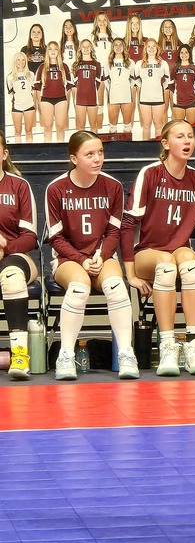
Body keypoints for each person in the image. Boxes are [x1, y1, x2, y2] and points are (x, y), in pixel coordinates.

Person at [121, 119, 195, 377]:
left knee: (189, 263)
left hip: (177, 254)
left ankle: (194, 343)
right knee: (165, 263)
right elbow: (126, 225)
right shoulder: (150, 174)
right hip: (146, 255)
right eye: (180, 137)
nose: (187, 142)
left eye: (190, 137)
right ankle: (167, 345)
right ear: (165, 143)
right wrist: (130, 274)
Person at [45, 131, 140, 381]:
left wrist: (101, 255)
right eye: (89, 154)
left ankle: (126, 353)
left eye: (100, 152)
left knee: (116, 286)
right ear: (74, 158)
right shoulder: (56, 189)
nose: (97, 159)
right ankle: (65, 355)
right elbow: (55, 238)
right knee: (79, 287)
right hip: (68, 259)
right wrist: (81, 259)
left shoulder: (113, 186)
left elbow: (114, 230)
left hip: (102, 255)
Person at [0, 133, 40, 380]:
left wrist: (4, 247)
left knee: (12, 276)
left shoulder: (18, 186)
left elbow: (30, 237)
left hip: (15, 257)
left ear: (4, 155)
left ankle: (19, 354)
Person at [33, 42, 72, 142]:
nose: (53, 51)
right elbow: (37, 88)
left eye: (55, 49)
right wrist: (38, 104)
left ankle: (61, 150)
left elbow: (69, 87)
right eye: (50, 49)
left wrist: (67, 101)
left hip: (61, 99)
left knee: (60, 127)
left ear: (58, 51)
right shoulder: (42, 67)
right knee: (48, 127)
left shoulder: (64, 67)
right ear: (47, 52)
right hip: (46, 99)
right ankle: (47, 150)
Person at [134, 38, 170, 140]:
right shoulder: (139, 63)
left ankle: (158, 148)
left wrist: (161, 87)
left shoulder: (163, 63)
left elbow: (167, 80)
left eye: (153, 46)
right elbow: (136, 80)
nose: (151, 48)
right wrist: (144, 86)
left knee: (158, 125)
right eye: (149, 46)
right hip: (144, 99)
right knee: (146, 126)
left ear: (157, 48)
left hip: (158, 98)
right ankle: (145, 149)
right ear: (145, 49)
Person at [72, 39, 103, 132]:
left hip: (92, 98)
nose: (86, 48)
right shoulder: (76, 65)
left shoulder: (97, 64)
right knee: (81, 127)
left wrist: (91, 90)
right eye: (83, 47)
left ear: (91, 48)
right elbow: (75, 83)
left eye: (88, 46)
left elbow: (98, 82)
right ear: (80, 49)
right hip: (80, 98)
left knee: (93, 126)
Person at [104, 38, 134, 134]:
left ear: (124, 47)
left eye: (120, 44)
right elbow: (105, 80)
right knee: (113, 127)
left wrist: (126, 87)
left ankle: (128, 147)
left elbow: (133, 79)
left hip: (126, 95)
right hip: (113, 96)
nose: (118, 47)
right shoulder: (108, 63)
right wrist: (112, 88)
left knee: (127, 126)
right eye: (115, 45)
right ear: (112, 47)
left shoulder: (130, 62)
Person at [6, 52, 36, 142]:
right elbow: (10, 93)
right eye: (18, 60)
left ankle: (30, 151)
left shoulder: (30, 74)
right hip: (17, 107)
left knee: (29, 131)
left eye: (23, 60)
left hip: (29, 106)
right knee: (18, 131)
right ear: (15, 61)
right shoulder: (10, 77)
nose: (21, 62)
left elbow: (33, 90)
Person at [90, 13, 113, 130]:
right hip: (98, 73)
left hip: (111, 72)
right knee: (99, 104)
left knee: (111, 103)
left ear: (107, 22)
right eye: (100, 20)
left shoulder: (113, 36)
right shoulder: (92, 38)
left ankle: (111, 128)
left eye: (104, 20)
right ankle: (98, 130)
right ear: (96, 22)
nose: (102, 22)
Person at [169, 44, 195, 124]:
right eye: (182, 52)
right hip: (178, 103)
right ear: (179, 54)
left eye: (186, 52)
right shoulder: (175, 69)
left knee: (192, 128)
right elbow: (171, 86)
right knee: (179, 128)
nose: (184, 54)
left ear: (189, 54)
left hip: (192, 102)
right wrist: (174, 99)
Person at [125, 13, 145, 127]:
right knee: (130, 107)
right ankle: (130, 132)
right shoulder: (124, 41)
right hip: (130, 78)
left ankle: (144, 135)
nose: (135, 25)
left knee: (142, 107)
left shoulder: (145, 40)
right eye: (133, 23)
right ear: (129, 25)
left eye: (137, 23)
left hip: (143, 78)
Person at [158, 19, 181, 118]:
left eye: (170, 26)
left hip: (175, 80)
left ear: (174, 28)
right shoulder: (158, 44)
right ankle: (164, 132)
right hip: (163, 80)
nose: (168, 29)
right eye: (165, 27)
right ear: (162, 29)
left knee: (175, 109)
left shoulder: (179, 44)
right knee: (163, 109)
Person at [59, 18, 79, 126]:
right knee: (64, 107)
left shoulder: (79, 44)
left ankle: (78, 130)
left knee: (78, 105)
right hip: (64, 77)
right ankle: (64, 132)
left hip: (76, 77)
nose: (68, 28)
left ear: (74, 28)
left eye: (70, 26)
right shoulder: (60, 44)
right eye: (66, 26)